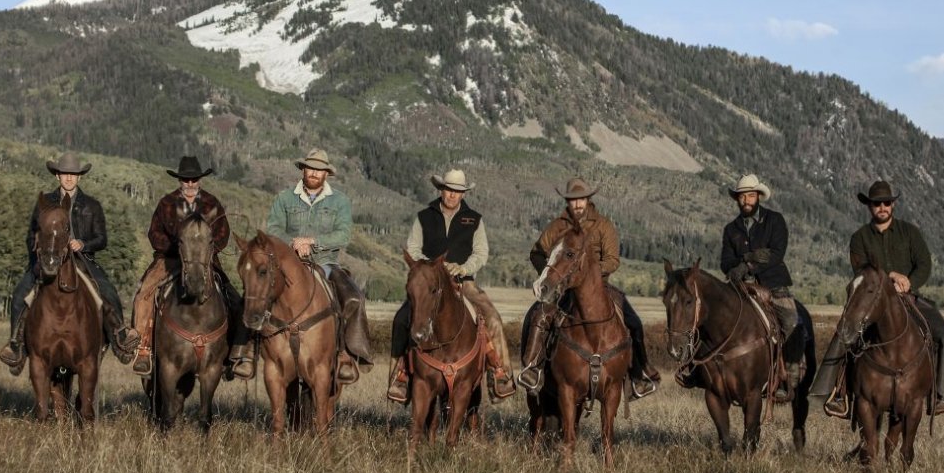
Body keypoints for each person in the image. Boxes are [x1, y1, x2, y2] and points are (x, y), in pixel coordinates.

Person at [810, 180, 944, 415]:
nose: (882, 207)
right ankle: (837, 393)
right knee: (845, 331)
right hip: (873, 299)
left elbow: (924, 263)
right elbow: (862, 270)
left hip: (908, 297)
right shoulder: (859, 237)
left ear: (892, 205)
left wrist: (910, 281)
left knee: (943, 335)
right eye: (876, 204)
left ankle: (941, 394)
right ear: (869, 206)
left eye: (886, 203)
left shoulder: (910, 232)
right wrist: (891, 275)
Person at [519, 177, 661, 399]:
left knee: (633, 321)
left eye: (581, 199)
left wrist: (589, 273)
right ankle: (532, 369)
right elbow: (537, 253)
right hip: (563, 288)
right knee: (539, 315)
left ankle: (640, 375)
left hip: (599, 287)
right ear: (567, 201)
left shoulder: (603, 225)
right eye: (573, 200)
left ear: (588, 199)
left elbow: (613, 260)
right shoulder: (557, 226)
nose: (577, 204)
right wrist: (550, 275)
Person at [0, 152, 140, 374]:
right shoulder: (44, 203)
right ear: (57, 176)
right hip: (49, 258)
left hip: (82, 259)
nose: (69, 178)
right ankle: (16, 346)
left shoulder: (91, 205)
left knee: (107, 290)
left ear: (79, 177)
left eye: (73, 174)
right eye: (65, 174)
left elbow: (102, 239)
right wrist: (39, 258)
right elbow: (30, 236)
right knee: (19, 295)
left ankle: (120, 336)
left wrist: (83, 244)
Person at [386, 169, 516, 403]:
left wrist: (464, 268)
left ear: (463, 194)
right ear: (441, 189)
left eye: (457, 191)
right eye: (449, 190)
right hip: (430, 284)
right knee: (401, 319)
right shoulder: (424, 216)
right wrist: (432, 268)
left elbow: (481, 252)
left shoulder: (474, 219)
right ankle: (400, 376)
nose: (452, 195)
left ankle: (499, 373)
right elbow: (413, 248)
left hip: (463, 282)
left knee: (493, 318)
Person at [130, 156, 250, 378]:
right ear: (180, 180)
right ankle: (143, 348)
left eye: (194, 179)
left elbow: (223, 233)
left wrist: (206, 250)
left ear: (200, 180)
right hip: (169, 259)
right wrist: (177, 247)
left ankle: (235, 354)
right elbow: (154, 233)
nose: (190, 184)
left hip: (206, 261)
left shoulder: (212, 204)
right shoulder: (166, 204)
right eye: (186, 180)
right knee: (144, 294)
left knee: (234, 299)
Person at [265, 149, 372, 383]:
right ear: (303, 169)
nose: (314, 172)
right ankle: (243, 352)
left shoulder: (340, 201)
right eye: (310, 168)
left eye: (319, 169)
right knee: (255, 292)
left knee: (354, 298)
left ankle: (346, 354)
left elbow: (343, 235)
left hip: (326, 263)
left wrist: (312, 242)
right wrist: (293, 243)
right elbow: (272, 229)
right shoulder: (284, 198)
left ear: (326, 174)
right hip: (287, 263)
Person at [716, 174, 803, 400]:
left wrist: (746, 263)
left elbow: (776, 254)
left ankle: (788, 378)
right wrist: (747, 261)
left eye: (751, 195)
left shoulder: (775, 220)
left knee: (792, 322)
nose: (746, 200)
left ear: (758, 197)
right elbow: (725, 262)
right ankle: (707, 372)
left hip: (774, 284)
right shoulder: (731, 229)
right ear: (737, 199)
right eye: (743, 196)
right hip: (741, 288)